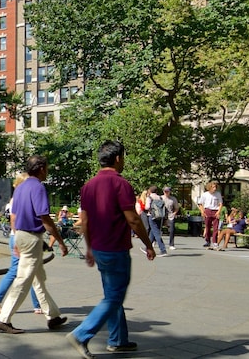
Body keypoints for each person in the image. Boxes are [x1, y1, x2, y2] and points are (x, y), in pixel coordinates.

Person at [67, 141, 156, 359]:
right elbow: (133, 220)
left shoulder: (88, 186)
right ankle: (81, 334)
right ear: (118, 158)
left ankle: (117, 340)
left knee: (111, 294)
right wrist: (149, 244)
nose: (123, 161)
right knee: (115, 297)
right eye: (123, 157)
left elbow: (84, 221)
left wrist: (89, 248)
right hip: (116, 249)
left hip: (98, 248)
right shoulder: (120, 184)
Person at [0, 155, 69, 335]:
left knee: (38, 279)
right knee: (24, 278)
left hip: (20, 235)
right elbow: (45, 218)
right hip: (32, 237)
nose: (47, 171)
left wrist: (16, 239)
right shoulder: (38, 187)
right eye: (47, 168)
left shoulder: (20, 188)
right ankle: (3, 319)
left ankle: (53, 316)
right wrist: (60, 241)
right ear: (41, 168)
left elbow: (15, 216)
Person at [0, 173, 43, 318]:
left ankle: (37, 304)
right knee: (22, 270)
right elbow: (18, 220)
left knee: (30, 270)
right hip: (22, 237)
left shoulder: (13, 200)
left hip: (16, 237)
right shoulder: (20, 199)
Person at [197, 182, 223, 248]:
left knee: (215, 228)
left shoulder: (218, 194)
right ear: (209, 188)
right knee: (207, 227)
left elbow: (220, 204)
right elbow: (200, 204)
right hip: (207, 210)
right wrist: (202, 211)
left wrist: (218, 211)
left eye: (215, 187)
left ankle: (215, 242)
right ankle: (207, 241)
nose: (214, 189)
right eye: (213, 187)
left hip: (215, 211)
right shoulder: (205, 194)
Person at [144, 186, 169, 256]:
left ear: (150, 191)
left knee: (156, 233)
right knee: (153, 232)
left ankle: (163, 250)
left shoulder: (149, 197)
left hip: (152, 216)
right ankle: (147, 248)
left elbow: (147, 207)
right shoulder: (160, 197)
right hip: (159, 216)